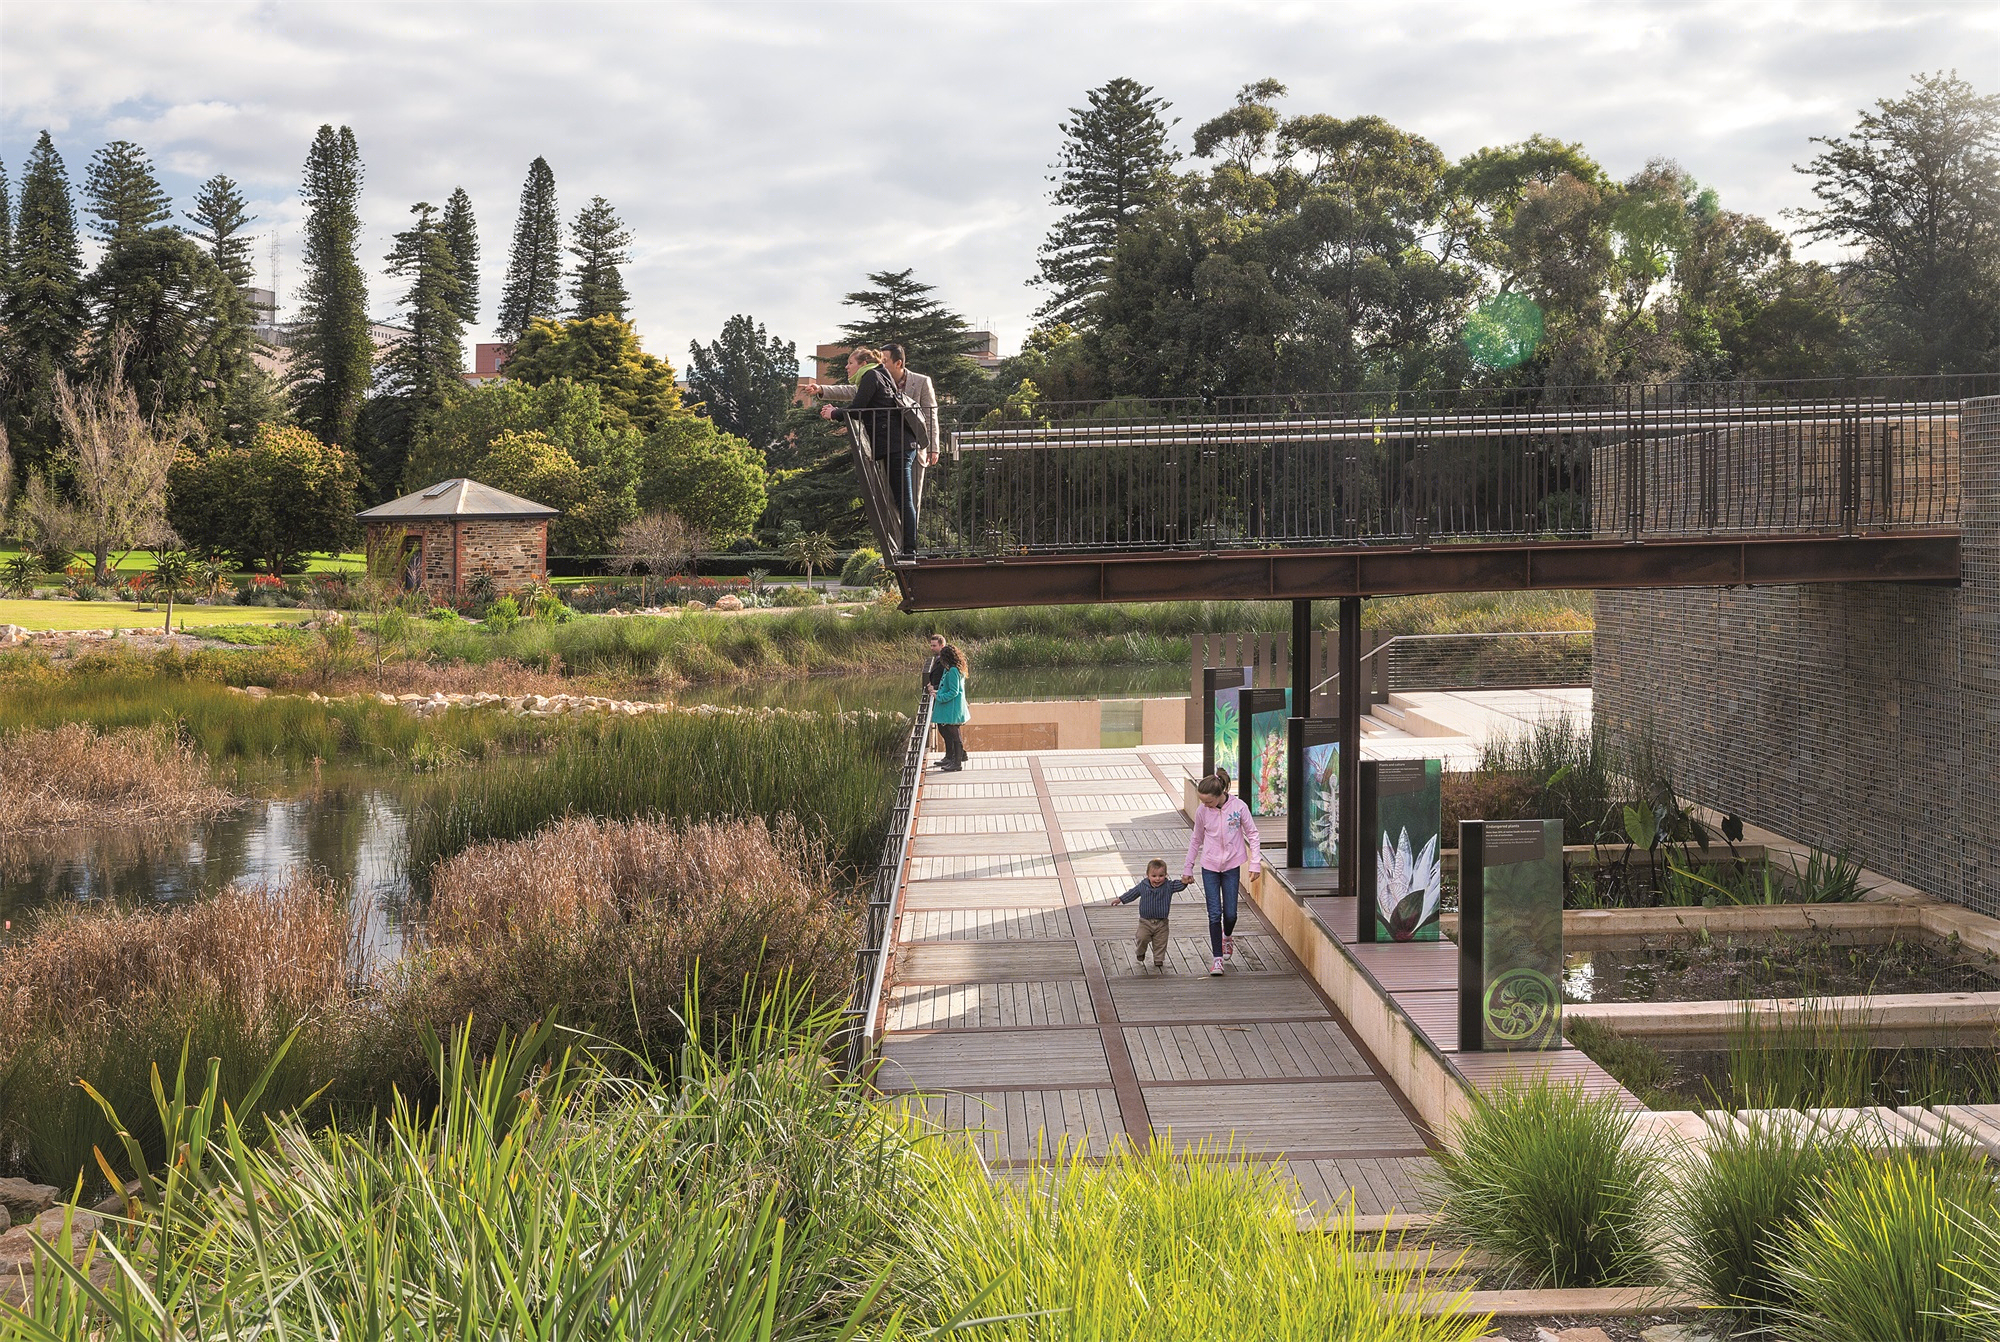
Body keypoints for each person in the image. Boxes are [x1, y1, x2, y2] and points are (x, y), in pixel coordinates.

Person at [817, 347, 919, 554]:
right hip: (896, 445)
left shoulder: (871, 376)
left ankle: (909, 549)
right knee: (901, 499)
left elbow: (857, 408)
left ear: (863, 363)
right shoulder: (880, 374)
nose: (846, 367)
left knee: (903, 499)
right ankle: (907, 547)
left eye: (850, 363)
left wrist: (834, 412)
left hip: (896, 446)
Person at [1182, 767, 1260, 977]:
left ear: (1219, 795)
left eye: (1208, 801)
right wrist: (1187, 867)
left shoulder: (1239, 807)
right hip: (1209, 866)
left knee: (1231, 914)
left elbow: (1252, 834)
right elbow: (1196, 839)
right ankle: (1217, 959)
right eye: (1202, 801)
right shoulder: (1202, 812)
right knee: (1214, 913)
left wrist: (1255, 863)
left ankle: (1227, 936)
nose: (1204, 805)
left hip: (1232, 866)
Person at [878, 343, 939, 511]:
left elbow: (930, 415)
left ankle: (910, 537)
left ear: (898, 363)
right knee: (890, 501)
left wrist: (933, 447)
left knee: (912, 500)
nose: (880, 366)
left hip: (915, 448)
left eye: (884, 361)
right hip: (890, 449)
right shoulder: (879, 381)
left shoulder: (921, 382)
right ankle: (896, 537)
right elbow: (853, 391)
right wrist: (821, 389)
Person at [1107, 858, 1190, 973]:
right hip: (1145, 921)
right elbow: (1133, 893)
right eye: (1154, 876)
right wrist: (1120, 899)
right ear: (1147, 875)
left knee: (1161, 942)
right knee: (1142, 938)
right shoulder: (1143, 885)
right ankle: (1140, 952)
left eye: (1161, 875)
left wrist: (1185, 881)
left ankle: (1158, 959)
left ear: (1166, 875)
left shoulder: (1168, 886)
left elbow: (1179, 885)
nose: (1157, 879)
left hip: (1162, 922)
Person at [930, 641, 970, 771]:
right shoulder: (952, 669)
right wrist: (938, 691)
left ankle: (957, 763)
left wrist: (939, 697)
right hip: (950, 707)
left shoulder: (953, 670)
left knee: (955, 735)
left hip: (952, 708)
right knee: (950, 733)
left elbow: (954, 691)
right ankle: (951, 758)